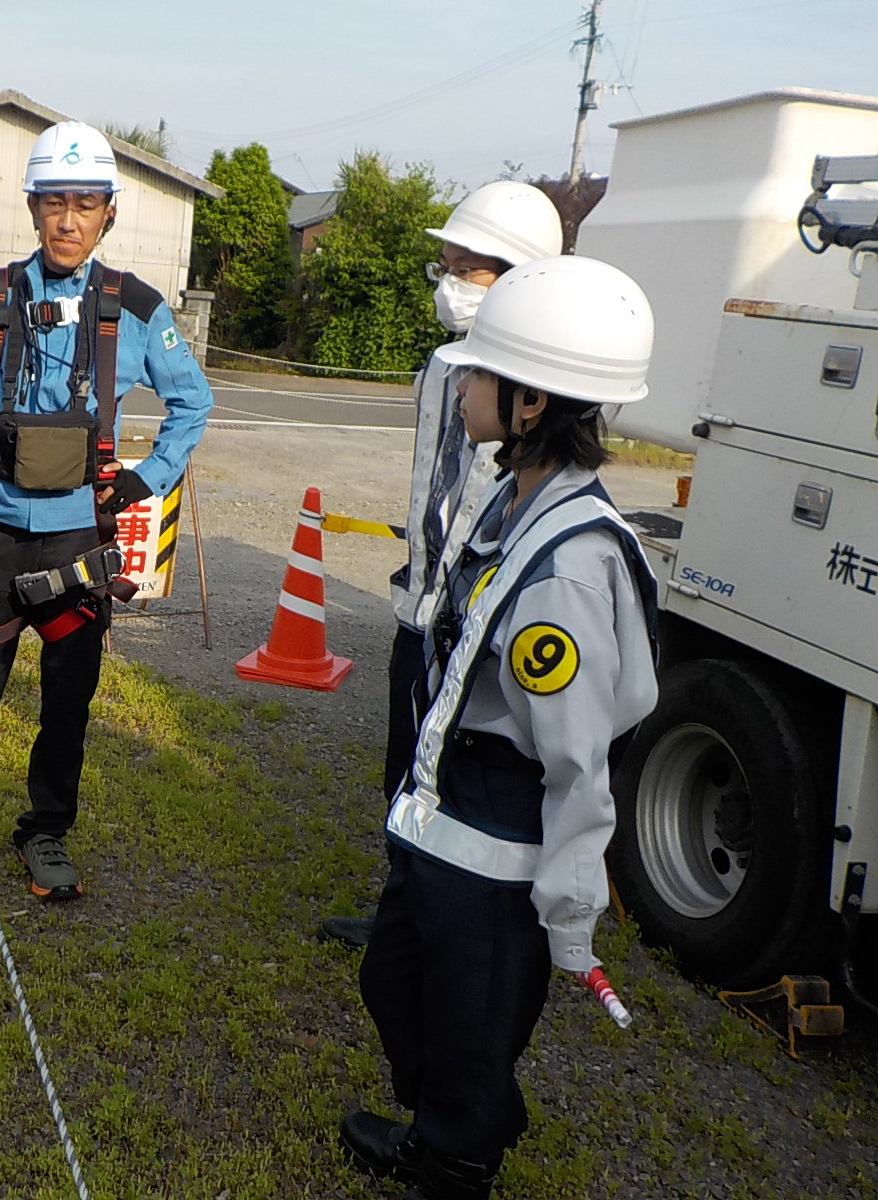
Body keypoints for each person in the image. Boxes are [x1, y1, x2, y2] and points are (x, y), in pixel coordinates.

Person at [337, 254, 660, 1199]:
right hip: (448, 825)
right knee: (394, 983)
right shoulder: (517, 494)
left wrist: (569, 909)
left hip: (500, 847)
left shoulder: (565, 566)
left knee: (470, 1028)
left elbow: (577, 760)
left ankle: (455, 1157)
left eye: (480, 372)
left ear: (529, 403)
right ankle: (457, 1117)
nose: (463, 382)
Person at [0, 120, 215, 901]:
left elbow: (194, 401)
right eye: (54, 203)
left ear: (109, 213)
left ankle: (46, 833)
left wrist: (147, 481)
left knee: (68, 698)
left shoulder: (135, 308)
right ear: (33, 208)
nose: (68, 220)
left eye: (85, 204)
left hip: (80, 537)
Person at [319, 182, 563, 947]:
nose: (450, 284)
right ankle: (403, 913)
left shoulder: (540, 384)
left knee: (463, 782)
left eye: (469, 269)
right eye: (446, 266)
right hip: (420, 614)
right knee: (406, 771)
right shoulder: (444, 365)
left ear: (520, 278)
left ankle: (444, 928)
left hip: (478, 627)